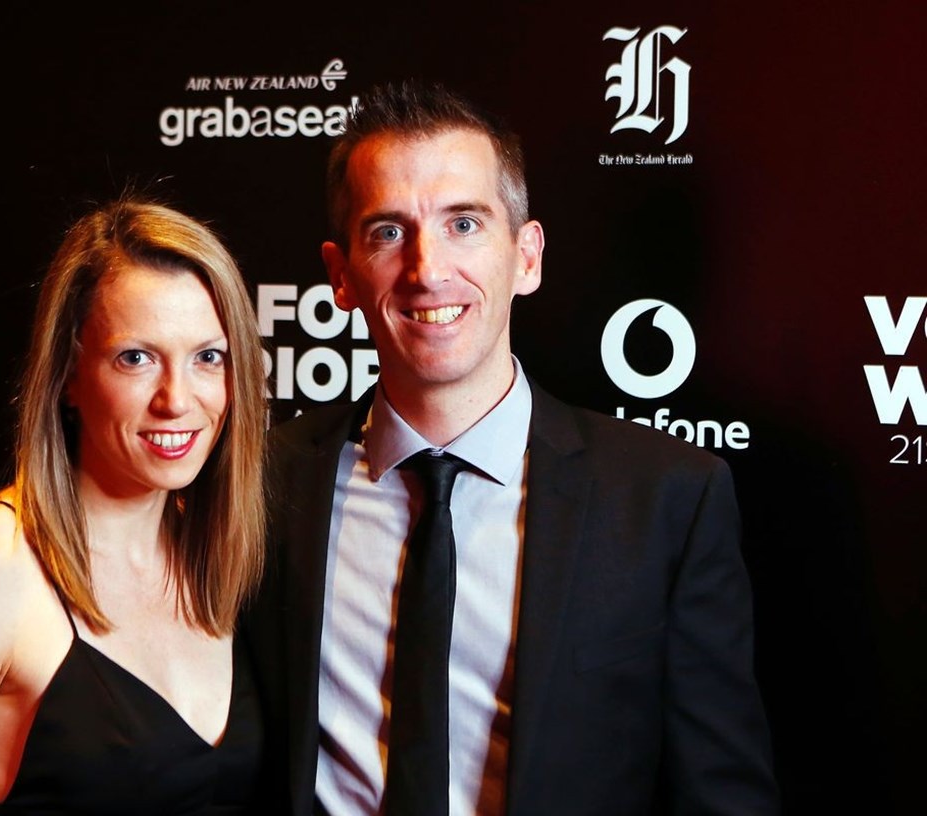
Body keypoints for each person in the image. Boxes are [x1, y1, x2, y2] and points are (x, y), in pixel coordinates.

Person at [245, 80, 780, 815]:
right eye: (388, 232)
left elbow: (722, 796)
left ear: (526, 256)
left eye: (464, 224)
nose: (428, 269)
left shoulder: (665, 499)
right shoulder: (263, 484)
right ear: (341, 275)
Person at [0, 194, 270, 815]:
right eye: (136, 358)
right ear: (69, 375)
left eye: (209, 358)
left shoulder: (217, 551)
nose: (177, 400)